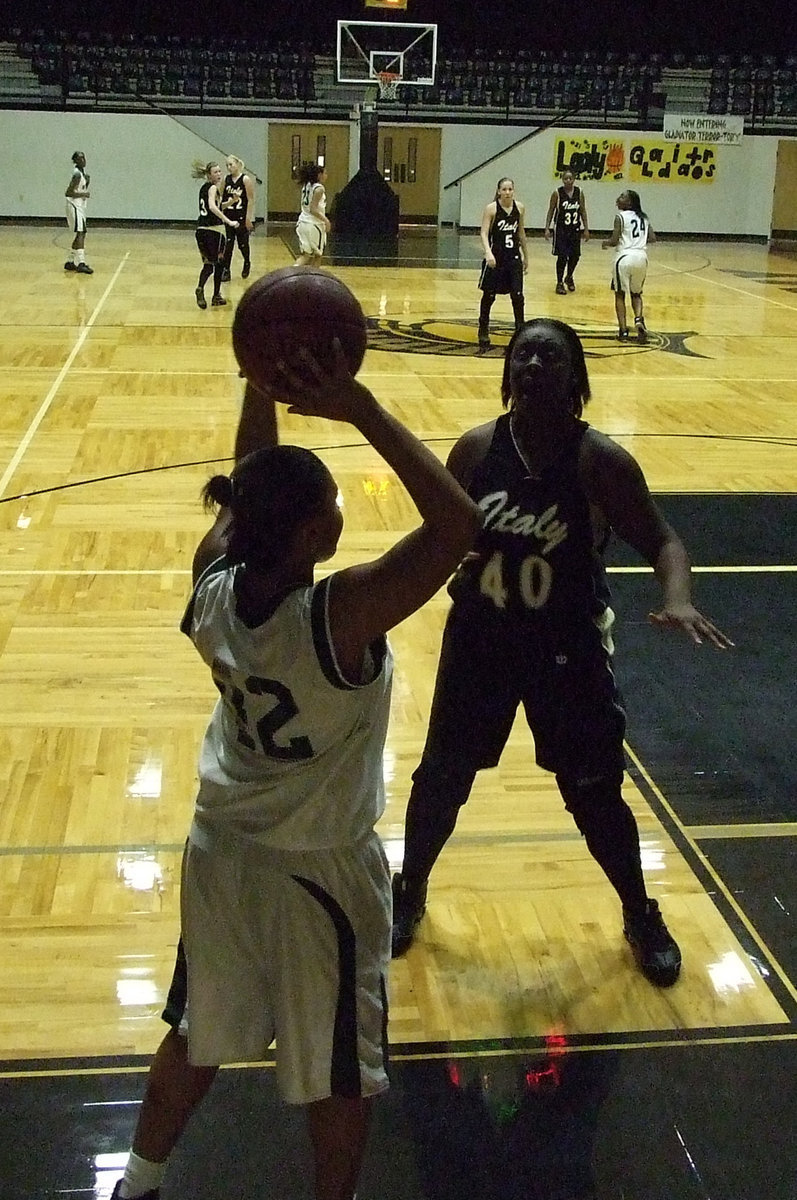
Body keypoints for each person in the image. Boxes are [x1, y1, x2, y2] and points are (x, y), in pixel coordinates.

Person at [110, 345, 481, 1200]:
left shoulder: (212, 583)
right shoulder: (339, 617)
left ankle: (137, 1183)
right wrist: (361, 409)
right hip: (318, 874)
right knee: (339, 1070)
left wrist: (259, 379)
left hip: (220, 852)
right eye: (332, 504)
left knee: (194, 1031)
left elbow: (250, 489)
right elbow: (457, 525)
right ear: (315, 534)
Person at [391, 317, 733, 989]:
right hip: (480, 643)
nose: (532, 365)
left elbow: (663, 540)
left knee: (594, 793)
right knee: (440, 780)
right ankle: (410, 890)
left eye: (549, 356)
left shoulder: (599, 461)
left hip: (566, 650)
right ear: (507, 372)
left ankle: (639, 912)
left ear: (575, 376)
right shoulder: (475, 450)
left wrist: (679, 597)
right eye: (523, 354)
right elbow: (436, 539)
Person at [477, 177, 528, 351]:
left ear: (514, 191)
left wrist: (526, 256)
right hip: (496, 258)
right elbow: (484, 233)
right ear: (499, 191)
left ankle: (520, 332)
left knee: (518, 296)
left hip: (513, 257)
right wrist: (488, 252)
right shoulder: (491, 209)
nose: (507, 192)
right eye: (504, 189)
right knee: (489, 295)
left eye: (510, 189)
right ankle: (483, 328)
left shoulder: (519, 208)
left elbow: (521, 233)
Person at [602, 189, 656, 343]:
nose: (619, 198)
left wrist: (605, 243)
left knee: (620, 294)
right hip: (641, 258)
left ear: (630, 202)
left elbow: (614, 241)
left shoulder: (620, 217)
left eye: (622, 197)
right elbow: (652, 238)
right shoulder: (644, 217)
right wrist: (638, 241)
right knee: (636, 294)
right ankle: (638, 319)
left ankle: (623, 331)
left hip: (624, 258)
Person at [191, 160, 239, 310]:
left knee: (209, 264)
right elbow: (212, 207)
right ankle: (216, 295)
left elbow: (217, 206)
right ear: (209, 175)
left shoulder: (204, 189)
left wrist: (232, 201)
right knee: (219, 263)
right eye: (215, 172)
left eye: (219, 171)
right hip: (214, 231)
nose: (219, 174)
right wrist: (228, 221)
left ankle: (200, 288)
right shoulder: (212, 188)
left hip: (200, 231)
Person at [544, 168, 590, 294]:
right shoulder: (557, 193)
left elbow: (582, 210)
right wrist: (547, 228)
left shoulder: (579, 192)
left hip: (575, 229)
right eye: (565, 178)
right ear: (562, 180)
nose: (568, 180)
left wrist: (586, 228)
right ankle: (559, 282)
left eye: (570, 178)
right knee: (562, 257)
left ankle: (569, 276)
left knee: (575, 256)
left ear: (574, 179)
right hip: (561, 230)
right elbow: (551, 210)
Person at [220, 154, 255, 281]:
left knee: (242, 244)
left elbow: (250, 199)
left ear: (237, 164)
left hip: (241, 216)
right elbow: (220, 197)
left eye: (231, 164)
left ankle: (247, 262)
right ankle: (226, 270)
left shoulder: (245, 179)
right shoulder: (226, 179)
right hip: (229, 216)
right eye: (227, 165)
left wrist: (248, 218)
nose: (229, 167)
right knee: (228, 245)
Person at [295, 162, 331, 265]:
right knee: (318, 255)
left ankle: (293, 271)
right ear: (319, 175)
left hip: (302, 222)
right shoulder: (319, 188)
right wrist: (326, 221)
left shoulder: (306, 185)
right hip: (314, 224)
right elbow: (313, 209)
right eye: (325, 173)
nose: (326, 175)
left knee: (305, 255)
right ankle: (313, 275)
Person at [64, 150, 92, 274]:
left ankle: (70, 261)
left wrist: (87, 182)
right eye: (80, 158)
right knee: (80, 232)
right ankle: (81, 262)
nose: (83, 160)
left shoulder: (82, 174)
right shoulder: (76, 175)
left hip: (79, 206)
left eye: (83, 158)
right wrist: (84, 194)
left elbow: (79, 188)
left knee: (82, 232)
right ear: (75, 161)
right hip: (74, 205)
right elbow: (68, 192)